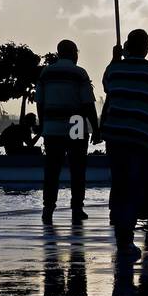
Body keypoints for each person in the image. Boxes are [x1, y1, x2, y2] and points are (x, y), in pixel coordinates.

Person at [101, 29, 148, 260]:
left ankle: (122, 232)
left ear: (126, 46)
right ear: (145, 48)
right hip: (141, 138)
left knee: (121, 183)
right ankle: (126, 240)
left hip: (115, 138)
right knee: (132, 187)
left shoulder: (114, 69)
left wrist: (116, 57)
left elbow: (107, 85)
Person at [37, 40, 100, 224]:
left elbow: (39, 102)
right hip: (77, 122)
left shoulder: (46, 73)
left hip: (52, 125)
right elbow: (88, 103)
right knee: (78, 168)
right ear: (73, 53)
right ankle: (77, 208)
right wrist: (95, 128)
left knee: (52, 169)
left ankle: (48, 208)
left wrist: (43, 124)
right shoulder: (79, 73)